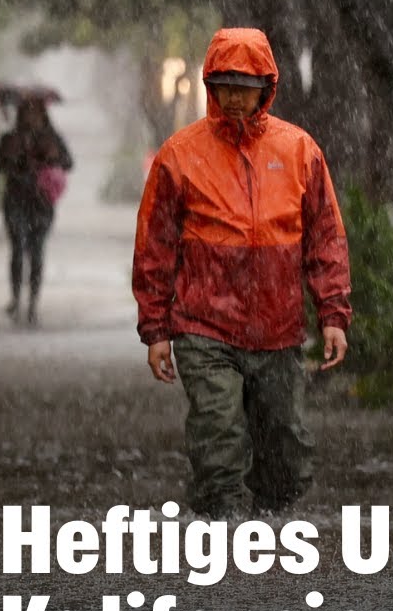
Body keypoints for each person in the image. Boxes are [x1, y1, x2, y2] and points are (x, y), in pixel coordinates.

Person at [132, 28, 352, 519]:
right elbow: (155, 246)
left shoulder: (299, 152)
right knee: (217, 432)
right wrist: (156, 331)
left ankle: (269, 509)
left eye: (245, 86)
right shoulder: (179, 156)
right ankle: (224, 521)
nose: (234, 97)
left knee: (286, 446)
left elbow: (324, 237)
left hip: (277, 329)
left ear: (266, 88)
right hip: (203, 325)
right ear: (210, 85)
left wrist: (332, 313)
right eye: (225, 85)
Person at [0, 98, 72, 325]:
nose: (31, 116)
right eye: (26, 111)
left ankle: (33, 303)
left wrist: (52, 156)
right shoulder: (10, 138)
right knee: (17, 248)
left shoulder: (51, 138)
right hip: (16, 201)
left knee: (36, 252)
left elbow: (67, 162)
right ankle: (16, 299)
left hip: (41, 205)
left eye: (35, 112)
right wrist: (10, 157)